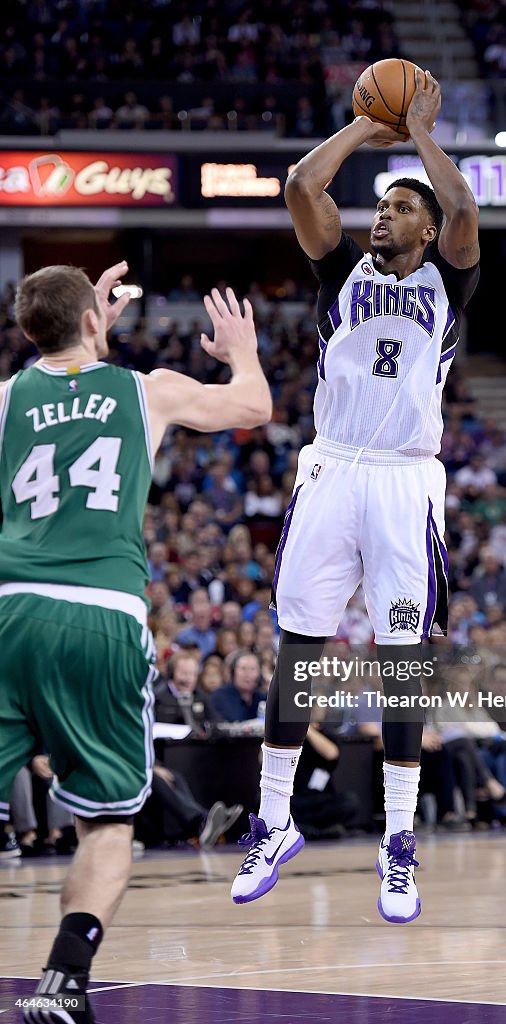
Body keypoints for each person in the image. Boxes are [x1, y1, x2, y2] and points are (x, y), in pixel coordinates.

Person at [230, 69, 479, 924]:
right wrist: (361, 128)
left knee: (402, 662)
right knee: (299, 643)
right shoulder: (337, 267)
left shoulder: (449, 280)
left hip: (407, 476)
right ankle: (271, 822)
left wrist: (415, 137)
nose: (385, 215)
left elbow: (465, 207)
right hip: (333, 466)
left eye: (402, 208)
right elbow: (303, 185)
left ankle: (399, 843)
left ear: (429, 226)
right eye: (381, 207)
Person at [0, 262, 270, 1024]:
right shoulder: (144, 389)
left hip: (10, 604)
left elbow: (60, 377)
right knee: (107, 823)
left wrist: (81, 332)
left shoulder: (8, 398)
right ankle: (62, 983)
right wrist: (241, 350)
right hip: (101, 612)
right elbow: (255, 402)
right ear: (94, 321)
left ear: (29, 333)